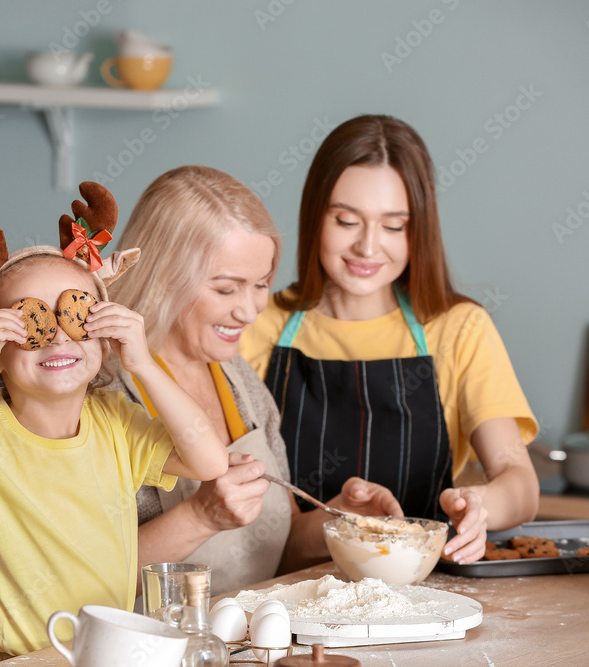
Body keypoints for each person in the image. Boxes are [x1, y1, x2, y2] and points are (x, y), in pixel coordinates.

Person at [0, 184, 228, 661]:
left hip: (110, 655)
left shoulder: (117, 424)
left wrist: (144, 364)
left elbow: (209, 460)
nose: (57, 339)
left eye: (80, 318)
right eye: (28, 326)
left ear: (104, 337)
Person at [240, 115, 540, 566]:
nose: (368, 246)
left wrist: (482, 505)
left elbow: (520, 483)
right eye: (346, 220)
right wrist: (338, 521)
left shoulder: (459, 328)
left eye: (394, 226)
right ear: (314, 216)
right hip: (289, 599)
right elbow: (248, 523)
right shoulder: (254, 321)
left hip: (427, 599)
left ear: (419, 230)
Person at [106, 165, 404, 594]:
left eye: (261, 284)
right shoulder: (100, 391)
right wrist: (199, 517)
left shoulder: (239, 381)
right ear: (162, 277)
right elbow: (80, 579)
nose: (249, 311)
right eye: (227, 289)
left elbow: (272, 550)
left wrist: (341, 521)